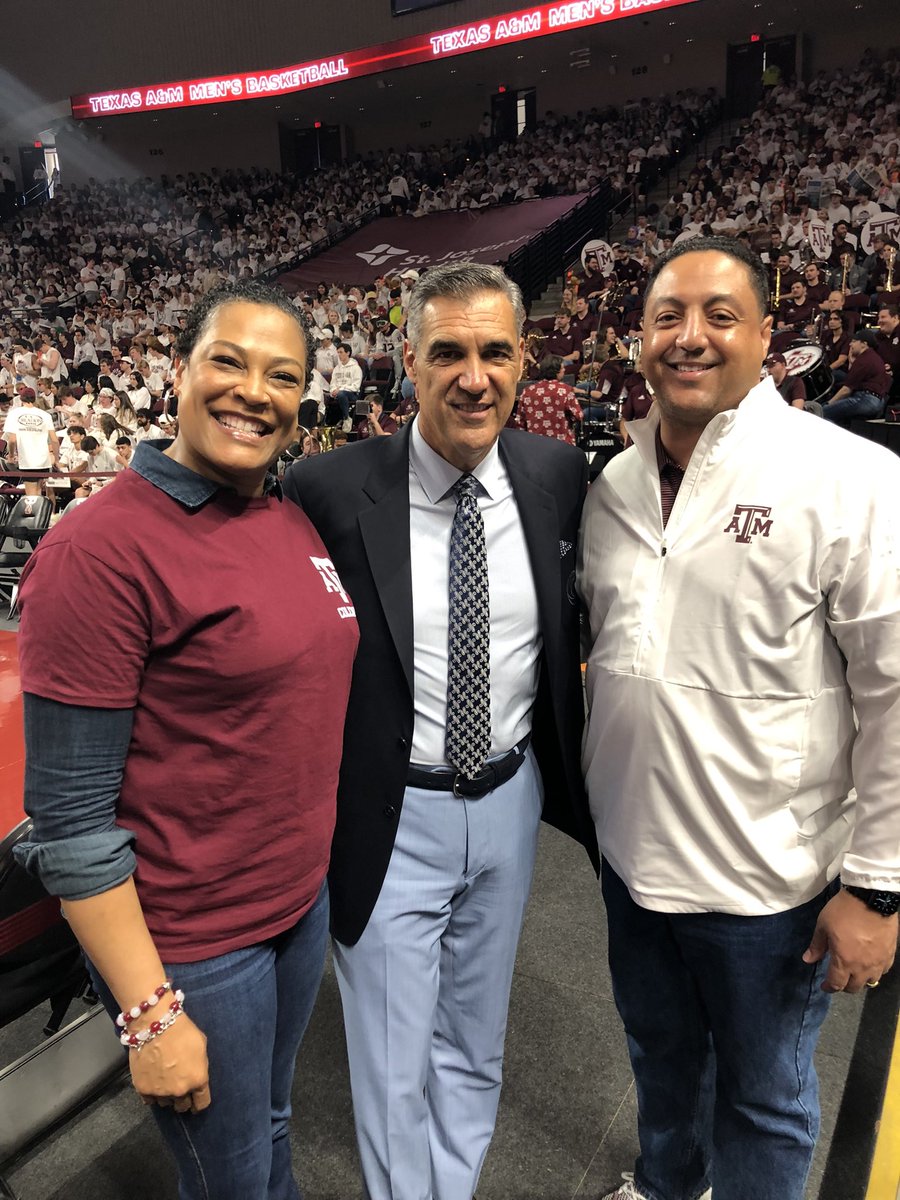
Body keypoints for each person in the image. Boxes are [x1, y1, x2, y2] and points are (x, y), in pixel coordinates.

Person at [14, 279, 359, 1200]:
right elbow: (71, 820)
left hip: (294, 906)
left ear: (303, 400)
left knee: (274, 1125)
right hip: (197, 944)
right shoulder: (99, 549)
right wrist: (149, 1013)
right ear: (181, 372)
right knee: (234, 1179)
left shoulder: (284, 515)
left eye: (281, 376)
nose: (254, 391)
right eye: (229, 362)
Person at [577, 236, 900, 1200]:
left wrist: (879, 888)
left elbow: (894, 687)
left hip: (772, 884)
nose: (691, 337)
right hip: (633, 864)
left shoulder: (847, 476)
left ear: (766, 336)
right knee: (664, 1070)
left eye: (720, 315)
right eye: (668, 316)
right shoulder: (615, 485)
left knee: (763, 1103)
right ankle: (668, 1187)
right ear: (636, 339)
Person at [283, 261, 598, 1200]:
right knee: (389, 1065)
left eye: (495, 352)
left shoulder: (554, 474)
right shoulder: (328, 488)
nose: (475, 376)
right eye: (449, 352)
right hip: (390, 809)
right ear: (408, 364)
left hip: (508, 800)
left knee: (476, 1039)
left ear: (522, 359)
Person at [2, 386, 59, 496]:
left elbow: (12, 440)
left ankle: (34, 513)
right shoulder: (45, 415)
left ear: (21, 399)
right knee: (39, 493)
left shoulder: (14, 414)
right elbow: (54, 440)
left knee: (31, 496)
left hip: (28, 460)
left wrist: (11, 456)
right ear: (34, 399)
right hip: (44, 460)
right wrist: (56, 459)